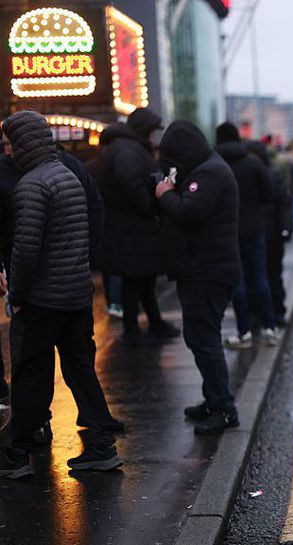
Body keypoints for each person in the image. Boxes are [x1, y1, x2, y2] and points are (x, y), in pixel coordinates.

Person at [0, 111, 122, 479]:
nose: (7, 151)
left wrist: (18, 296)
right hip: (75, 295)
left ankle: (16, 454)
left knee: (30, 373)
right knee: (81, 369)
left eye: (9, 144)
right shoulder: (68, 176)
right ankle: (102, 446)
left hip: (42, 299)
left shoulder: (32, 186)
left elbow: (25, 251)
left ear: (23, 144)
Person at [155, 120, 242, 435]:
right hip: (201, 269)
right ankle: (213, 399)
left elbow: (190, 212)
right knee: (199, 337)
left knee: (204, 340)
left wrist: (164, 194)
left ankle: (224, 408)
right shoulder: (207, 168)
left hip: (207, 271)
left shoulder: (208, 173)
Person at [97, 107, 180, 345]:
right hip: (130, 227)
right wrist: (149, 207)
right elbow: (131, 183)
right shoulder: (126, 149)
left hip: (132, 227)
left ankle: (154, 323)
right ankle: (132, 330)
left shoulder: (127, 147)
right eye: (152, 131)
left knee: (144, 279)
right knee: (134, 280)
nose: (154, 136)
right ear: (144, 129)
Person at [214, 122, 279, 349]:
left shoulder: (214, 164)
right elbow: (268, 195)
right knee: (261, 279)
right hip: (254, 229)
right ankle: (270, 328)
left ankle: (244, 333)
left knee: (237, 283)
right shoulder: (253, 162)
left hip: (227, 232)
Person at [247, 140, 293, 327]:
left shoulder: (265, 175)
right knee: (273, 274)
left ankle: (266, 314)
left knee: (263, 275)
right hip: (272, 233)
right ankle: (277, 313)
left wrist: (285, 227)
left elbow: (283, 203)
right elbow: (285, 203)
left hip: (265, 233)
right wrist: (285, 228)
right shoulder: (273, 174)